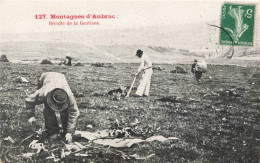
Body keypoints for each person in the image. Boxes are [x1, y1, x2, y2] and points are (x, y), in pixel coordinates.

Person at [25, 72, 80, 143]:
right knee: (48, 109)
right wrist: (31, 116)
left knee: (66, 111)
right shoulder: (43, 93)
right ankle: (52, 131)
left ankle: (66, 132)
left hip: (61, 78)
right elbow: (29, 101)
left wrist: (70, 132)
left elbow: (74, 112)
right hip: (45, 77)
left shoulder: (69, 97)